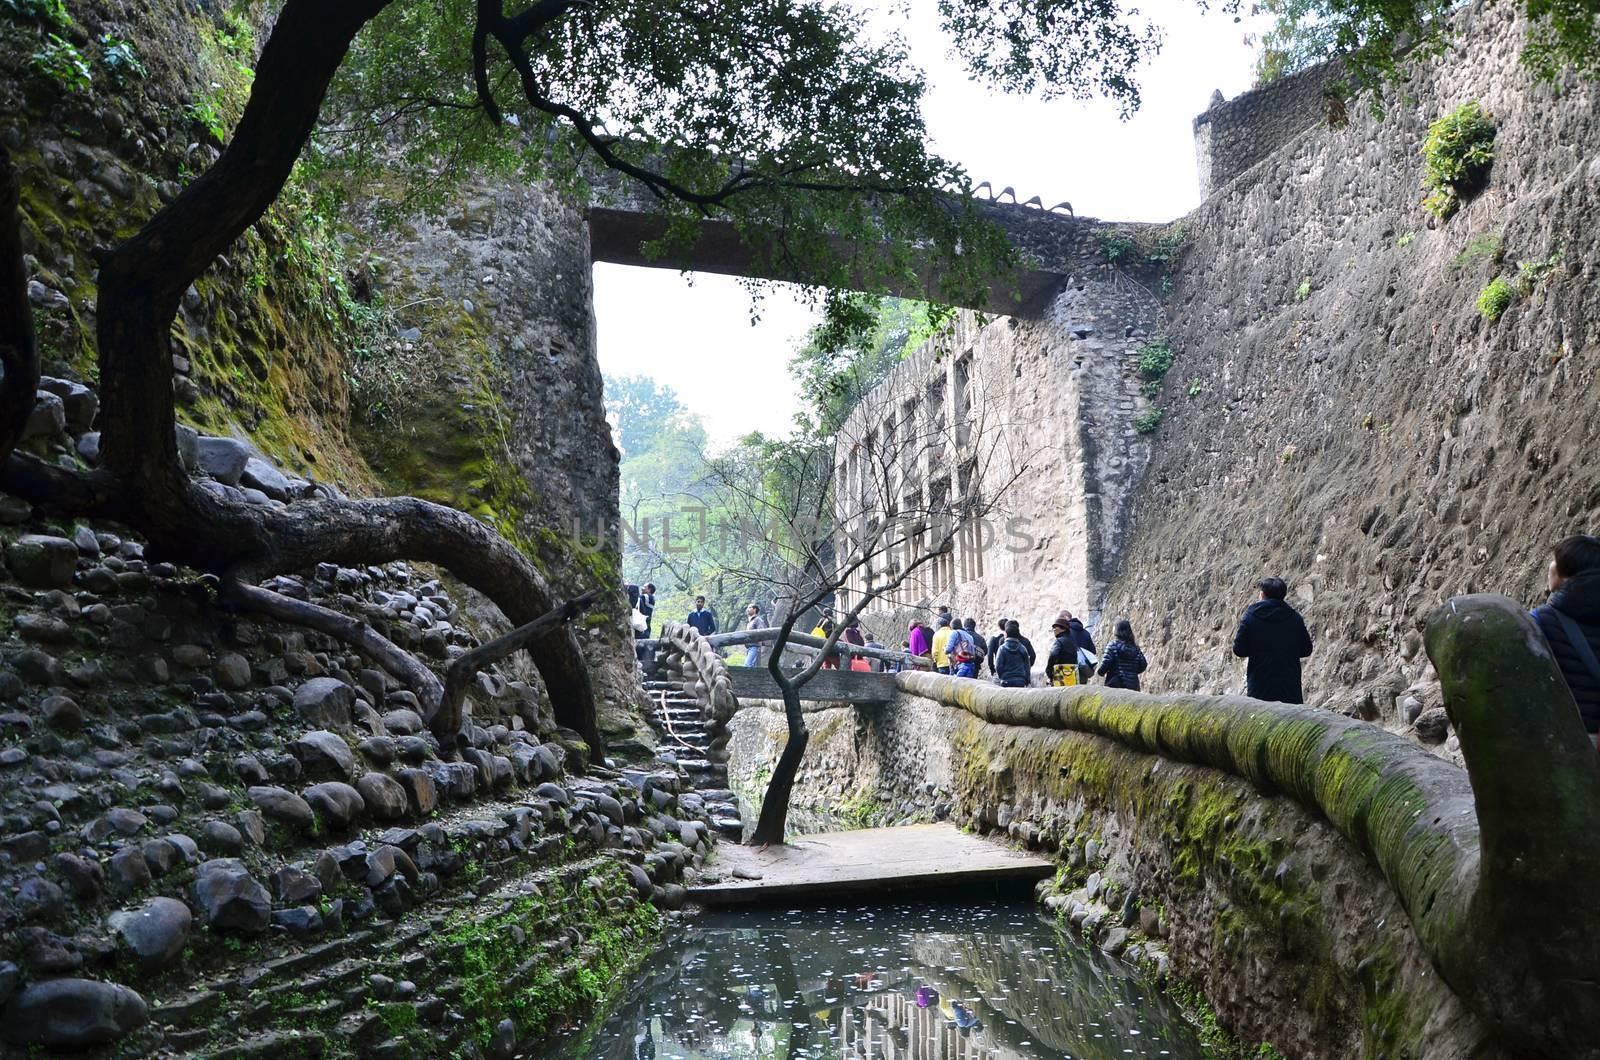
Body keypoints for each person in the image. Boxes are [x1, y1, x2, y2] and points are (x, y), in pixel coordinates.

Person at [1532, 534, 1600, 740]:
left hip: (1571, 738)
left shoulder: (1540, 620)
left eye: (1555, 560)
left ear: (1565, 572)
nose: (1551, 566)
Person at [1231, 576, 1314, 704]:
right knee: (1290, 722)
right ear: (1283, 595)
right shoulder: (1295, 618)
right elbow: (1306, 650)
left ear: (1262, 595)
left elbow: (1239, 650)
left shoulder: (1250, 617)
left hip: (1260, 686)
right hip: (1289, 686)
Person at [1098, 619, 1149, 691]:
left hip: (1115, 684)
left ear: (1117, 630)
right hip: (1133, 686)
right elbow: (1143, 664)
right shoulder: (1135, 648)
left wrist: (1100, 672)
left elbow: (1106, 663)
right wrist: (1132, 673)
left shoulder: (1112, 645)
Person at [993, 620, 1033, 687]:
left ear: (1006, 634)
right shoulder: (1022, 648)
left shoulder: (1002, 649)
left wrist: (1001, 677)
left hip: (1006, 681)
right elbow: (1027, 666)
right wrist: (1027, 681)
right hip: (1020, 681)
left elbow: (998, 666)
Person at [1046, 612, 1081, 686]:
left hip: (1060, 674)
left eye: (1056, 627)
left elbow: (1053, 655)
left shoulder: (1059, 641)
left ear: (1063, 629)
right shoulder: (1072, 642)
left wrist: (1048, 671)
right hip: (1071, 674)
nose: (1054, 630)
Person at [1066, 611, 1096, 684]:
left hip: (1068, 670)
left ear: (1066, 618)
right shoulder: (1086, 633)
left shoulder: (1066, 632)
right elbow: (1093, 651)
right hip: (1083, 669)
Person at [743, 603, 765, 668]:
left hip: (754, 647)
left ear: (754, 609)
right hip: (748, 647)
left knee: (747, 665)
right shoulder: (749, 623)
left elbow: (762, 632)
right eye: (747, 608)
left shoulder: (758, 620)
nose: (748, 609)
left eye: (749, 607)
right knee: (751, 667)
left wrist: (759, 645)